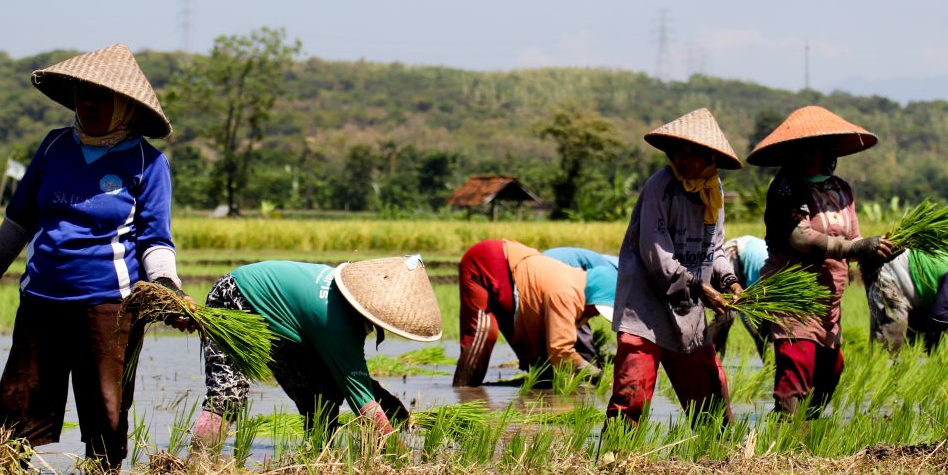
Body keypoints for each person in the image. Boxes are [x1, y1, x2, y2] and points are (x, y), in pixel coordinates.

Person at [0, 44, 186, 469]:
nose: (89, 104)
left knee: (106, 404)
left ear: (125, 106)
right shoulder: (53, 147)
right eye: (82, 95)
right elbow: (17, 223)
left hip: (107, 303)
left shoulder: (147, 163)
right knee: (18, 398)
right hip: (41, 298)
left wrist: (168, 287)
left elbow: (155, 239)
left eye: (101, 97)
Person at [191, 256, 442, 443]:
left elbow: (345, 377)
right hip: (236, 298)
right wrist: (398, 453)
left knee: (322, 393)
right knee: (228, 393)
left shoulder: (345, 304)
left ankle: (318, 456)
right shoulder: (339, 325)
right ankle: (198, 466)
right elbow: (362, 402)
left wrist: (383, 399)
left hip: (281, 321)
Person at [747, 105, 894, 417]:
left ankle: (803, 431)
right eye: (801, 149)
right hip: (793, 297)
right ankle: (790, 440)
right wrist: (856, 249)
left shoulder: (841, 190)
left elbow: (855, 238)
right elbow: (802, 238)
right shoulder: (786, 187)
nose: (808, 155)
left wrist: (875, 251)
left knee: (830, 374)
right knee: (795, 370)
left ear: (830, 151)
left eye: (816, 148)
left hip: (829, 302)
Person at [605, 108, 742, 426]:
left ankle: (719, 465)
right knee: (631, 397)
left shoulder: (713, 191)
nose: (681, 161)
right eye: (677, 153)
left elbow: (715, 248)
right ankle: (615, 465)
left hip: (687, 310)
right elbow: (657, 254)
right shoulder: (661, 186)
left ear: (710, 157)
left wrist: (730, 281)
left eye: (691, 154)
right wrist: (699, 286)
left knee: (710, 404)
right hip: (645, 307)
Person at [452, 240, 615, 387]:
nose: (595, 315)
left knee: (542, 365)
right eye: (596, 310)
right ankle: (462, 394)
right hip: (487, 261)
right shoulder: (566, 294)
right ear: (593, 298)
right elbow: (561, 351)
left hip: (515, 282)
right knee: (485, 333)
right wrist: (598, 376)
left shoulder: (576, 291)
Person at [707, 235, 770, 358]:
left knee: (766, 328)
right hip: (734, 254)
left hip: (750, 251)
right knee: (726, 313)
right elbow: (746, 307)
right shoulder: (763, 273)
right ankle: (708, 353)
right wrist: (760, 337)